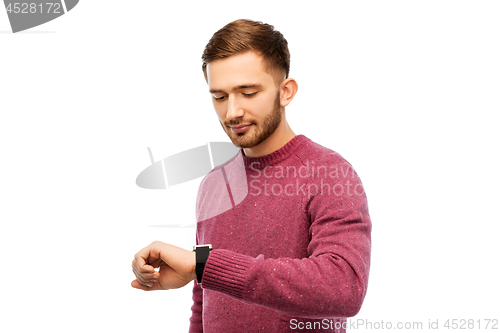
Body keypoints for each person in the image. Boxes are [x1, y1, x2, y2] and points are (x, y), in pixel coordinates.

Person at [131, 19, 372, 333]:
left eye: (247, 92)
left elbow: (344, 288)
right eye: (219, 97)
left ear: (286, 91)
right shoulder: (213, 184)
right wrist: (201, 269)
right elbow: (203, 306)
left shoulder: (329, 173)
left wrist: (203, 264)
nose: (232, 112)